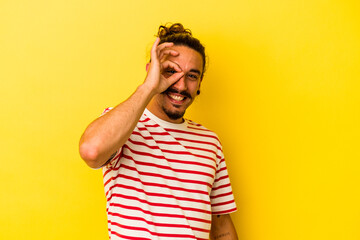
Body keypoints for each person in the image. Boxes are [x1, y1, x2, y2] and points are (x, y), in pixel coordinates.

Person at [79, 23, 238, 240]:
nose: (181, 86)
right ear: (151, 72)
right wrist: (149, 87)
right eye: (171, 71)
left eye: (192, 75)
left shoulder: (210, 142)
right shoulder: (123, 127)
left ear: (200, 82)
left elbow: (222, 226)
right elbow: (91, 151)